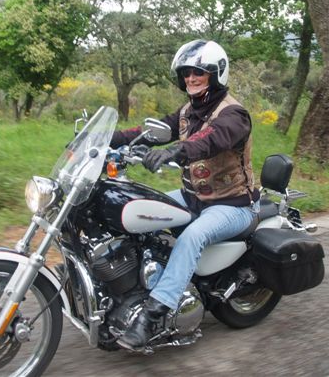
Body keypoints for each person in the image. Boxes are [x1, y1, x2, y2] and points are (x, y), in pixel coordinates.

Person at [110, 39, 261, 350]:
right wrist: (110, 138)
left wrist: (175, 151)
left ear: (215, 74)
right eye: (186, 73)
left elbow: (211, 139)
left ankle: (154, 314)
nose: (191, 78)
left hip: (233, 205)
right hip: (193, 199)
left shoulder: (234, 114)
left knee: (192, 237)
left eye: (198, 72)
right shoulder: (186, 111)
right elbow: (150, 132)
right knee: (137, 207)